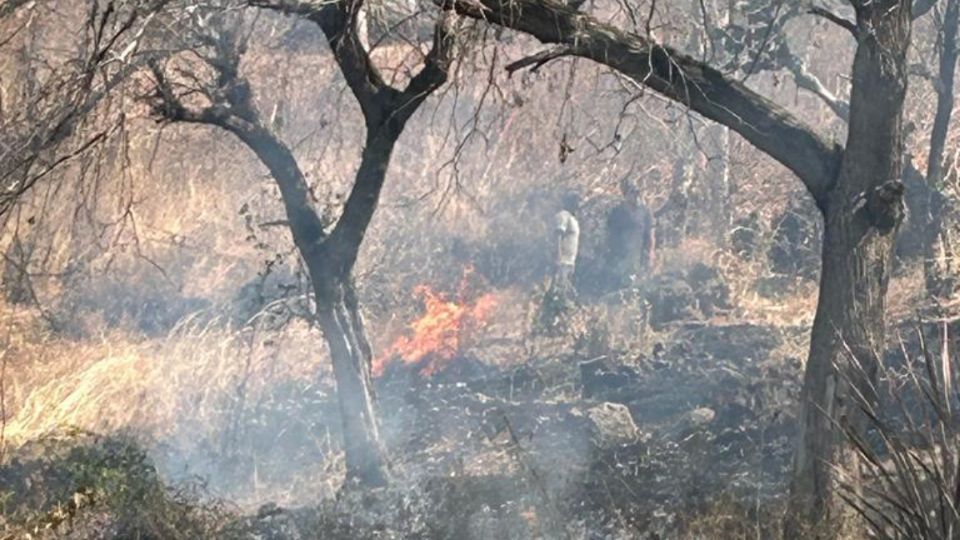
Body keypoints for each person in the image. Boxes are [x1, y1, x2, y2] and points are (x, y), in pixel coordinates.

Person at [606, 177, 655, 289]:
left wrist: (651, 253)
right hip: (621, 253)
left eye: (638, 192)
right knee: (622, 281)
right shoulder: (617, 212)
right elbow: (610, 234)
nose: (636, 195)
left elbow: (650, 234)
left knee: (639, 281)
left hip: (639, 252)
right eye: (632, 192)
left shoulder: (645, 211)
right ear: (625, 194)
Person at [553, 191, 581, 298]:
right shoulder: (563, 216)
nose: (578, 204)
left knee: (566, 291)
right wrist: (558, 257)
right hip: (563, 261)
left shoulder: (573, 219)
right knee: (559, 291)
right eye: (575, 201)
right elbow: (558, 236)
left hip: (570, 261)